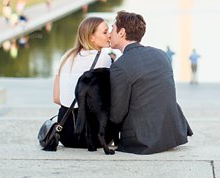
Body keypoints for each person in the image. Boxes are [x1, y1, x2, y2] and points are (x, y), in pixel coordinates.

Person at [109, 10, 193, 154]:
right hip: (172, 134)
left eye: (112, 29)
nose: (110, 34)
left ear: (122, 32)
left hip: (142, 141)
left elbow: (117, 114)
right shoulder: (160, 54)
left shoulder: (120, 65)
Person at [52, 16, 112, 148]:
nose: (110, 35)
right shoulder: (104, 58)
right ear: (92, 38)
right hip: (93, 135)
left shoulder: (66, 57)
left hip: (65, 133)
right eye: (105, 32)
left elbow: (56, 98)